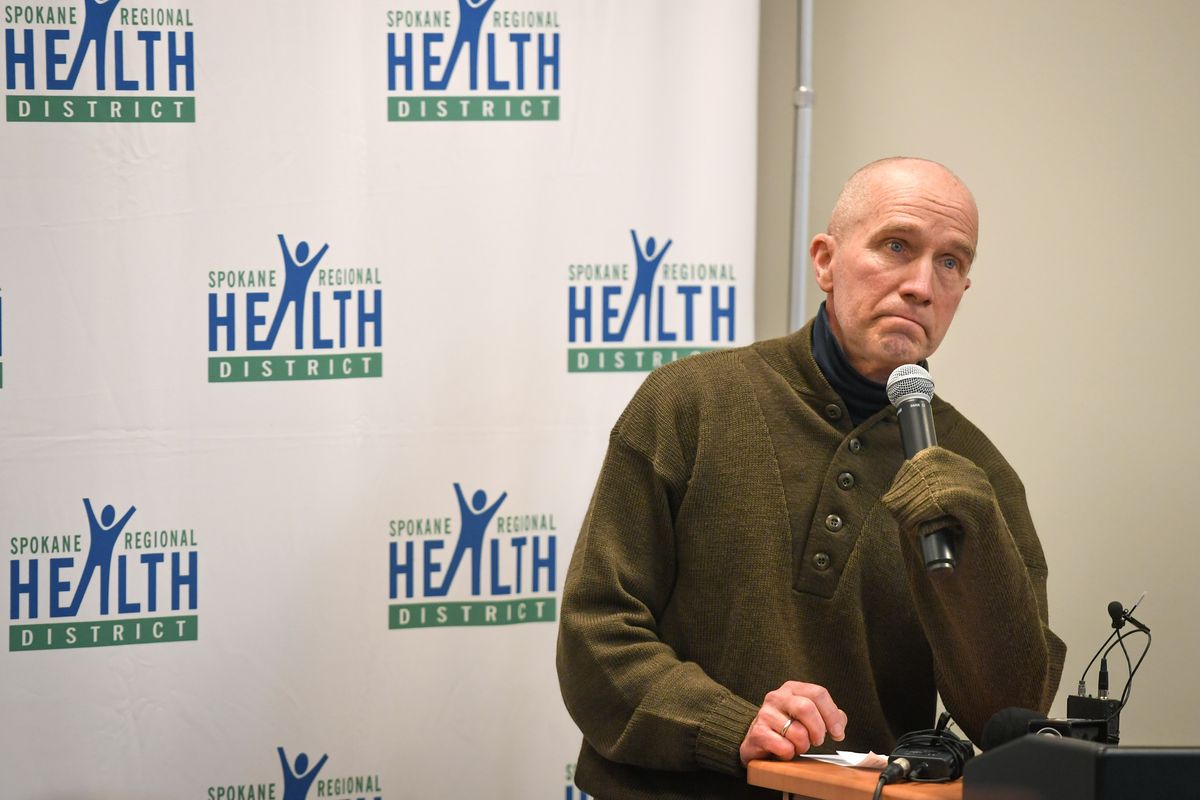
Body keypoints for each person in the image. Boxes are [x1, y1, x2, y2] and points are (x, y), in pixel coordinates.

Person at [556, 157, 1066, 799]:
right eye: (896, 246)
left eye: (950, 262)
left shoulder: (977, 475)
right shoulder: (687, 403)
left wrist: (976, 552)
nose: (920, 285)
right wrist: (731, 726)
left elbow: (1010, 717)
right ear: (825, 260)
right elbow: (595, 632)